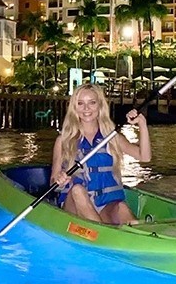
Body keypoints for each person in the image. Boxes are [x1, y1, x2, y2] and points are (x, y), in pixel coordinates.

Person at [51, 84, 150, 225]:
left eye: (92, 103)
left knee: (122, 208)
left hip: (105, 203)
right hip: (73, 205)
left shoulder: (112, 137)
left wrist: (142, 124)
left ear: (100, 106)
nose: (86, 109)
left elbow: (144, 156)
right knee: (77, 190)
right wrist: (60, 180)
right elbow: (53, 181)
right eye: (80, 103)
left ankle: (138, 237)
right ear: (74, 108)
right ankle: (102, 234)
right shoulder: (63, 141)